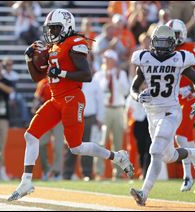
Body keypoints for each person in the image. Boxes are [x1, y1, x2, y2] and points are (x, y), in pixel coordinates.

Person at [8, 9, 134, 201]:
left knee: (76, 147)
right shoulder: (54, 48)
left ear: (66, 27)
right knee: (30, 135)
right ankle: (26, 182)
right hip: (55, 99)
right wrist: (28, 59)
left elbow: (87, 75)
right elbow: (37, 77)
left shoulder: (74, 43)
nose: (52, 32)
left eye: (55, 28)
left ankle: (117, 157)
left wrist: (61, 73)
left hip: (72, 98)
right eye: (50, 28)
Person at [129, 25, 195, 206]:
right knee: (167, 155)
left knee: (155, 151)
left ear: (173, 43)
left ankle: (144, 193)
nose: (162, 47)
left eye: (166, 42)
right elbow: (134, 88)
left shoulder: (179, 59)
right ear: (153, 42)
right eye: (159, 42)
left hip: (171, 111)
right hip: (152, 113)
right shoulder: (145, 58)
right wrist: (138, 96)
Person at [166, 19, 195, 193]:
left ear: (183, 33)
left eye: (176, 34)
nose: (174, 38)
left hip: (191, 98)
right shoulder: (167, 50)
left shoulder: (190, 48)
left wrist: (194, 91)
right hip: (177, 99)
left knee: (180, 137)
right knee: (188, 139)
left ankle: (188, 177)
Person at [93, 49, 130, 180]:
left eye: (110, 59)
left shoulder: (121, 74)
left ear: (114, 61)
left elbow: (125, 91)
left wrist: (118, 78)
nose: (107, 61)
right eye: (106, 59)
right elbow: (98, 93)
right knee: (100, 142)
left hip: (118, 109)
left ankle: (118, 173)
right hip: (104, 109)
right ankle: (99, 172)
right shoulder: (99, 75)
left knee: (118, 142)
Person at [63, 69, 105, 181]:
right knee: (70, 145)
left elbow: (100, 101)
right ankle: (67, 173)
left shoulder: (94, 82)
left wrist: (100, 118)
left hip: (89, 117)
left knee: (87, 146)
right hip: (73, 117)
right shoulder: (71, 80)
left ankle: (87, 173)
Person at [31, 78, 65, 181]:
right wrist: (35, 108)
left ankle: (57, 172)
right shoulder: (43, 83)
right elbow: (37, 99)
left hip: (59, 117)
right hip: (46, 117)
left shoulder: (63, 81)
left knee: (59, 145)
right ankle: (46, 170)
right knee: (41, 143)